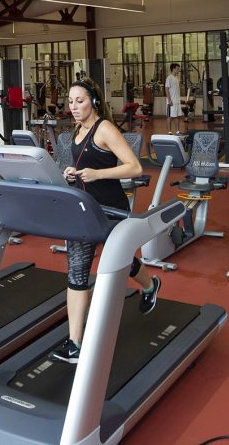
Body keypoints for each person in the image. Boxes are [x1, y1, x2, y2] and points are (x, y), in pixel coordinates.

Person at [52, 79, 161, 364]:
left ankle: (150, 286)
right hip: (83, 209)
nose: (74, 107)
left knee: (122, 262)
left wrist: (97, 175)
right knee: (77, 271)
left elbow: (134, 166)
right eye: (71, 101)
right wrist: (72, 173)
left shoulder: (106, 129)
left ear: (94, 102)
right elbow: (86, 166)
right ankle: (75, 342)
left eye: (80, 101)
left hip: (110, 209)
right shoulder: (78, 129)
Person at [165, 63, 183, 135]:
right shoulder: (169, 78)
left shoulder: (176, 78)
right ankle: (169, 132)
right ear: (173, 69)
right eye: (177, 68)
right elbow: (166, 89)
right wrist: (169, 100)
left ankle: (177, 131)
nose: (179, 70)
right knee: (169, 116)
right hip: (171, 101)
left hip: (177, 101)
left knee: (176, 116)